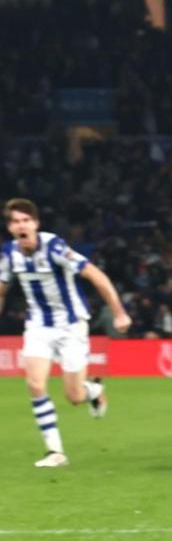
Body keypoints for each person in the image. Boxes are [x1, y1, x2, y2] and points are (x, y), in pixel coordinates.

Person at [0, 198, 131, 467]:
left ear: (35, 223)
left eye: (26, 220)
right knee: (35, 384)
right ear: (10, 227)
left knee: (74, 397)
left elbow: (96, 276)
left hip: (71, 326)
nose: (21, 225)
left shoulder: (55, 247)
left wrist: (119, 312)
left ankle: (93, 390)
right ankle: (55, 452)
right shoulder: (8, 254)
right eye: (15, 221)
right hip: (38, 326)